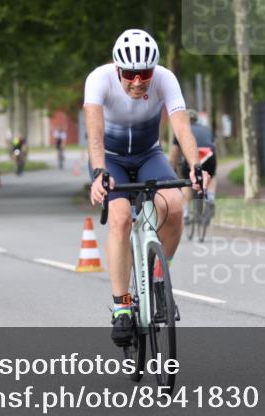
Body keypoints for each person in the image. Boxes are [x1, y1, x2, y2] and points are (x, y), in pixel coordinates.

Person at [84, 28, 209, 346]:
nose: (138, 82)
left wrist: (195, 166)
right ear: (117, 69)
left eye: (145, 74)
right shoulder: (99, 79)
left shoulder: (166, 78)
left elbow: (181, 124)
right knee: (121, 217)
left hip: (148, 156)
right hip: (110, 160)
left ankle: (156, 281)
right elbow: (94, 133)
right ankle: (121, 306)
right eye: (129, 74)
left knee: (176, 205)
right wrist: (99, 172)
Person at [169, 110, 217, 223]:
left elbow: (174, 153)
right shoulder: (206, 129)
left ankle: (185, 214)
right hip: (209, 154)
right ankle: (210, 198)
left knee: (186, 180)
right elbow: (213, 145)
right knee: (211, 175)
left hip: (193, 157)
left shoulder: (181, 130)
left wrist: (173, 168)